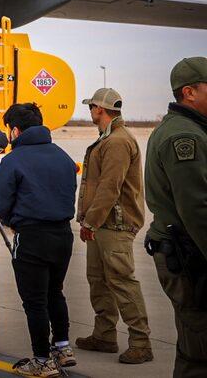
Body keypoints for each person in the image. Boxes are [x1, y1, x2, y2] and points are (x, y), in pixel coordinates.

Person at [0, 103, 78, 377]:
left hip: (31, 236)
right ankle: (63, 347)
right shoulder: (62, 156)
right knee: (55, 291)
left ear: (15, 131)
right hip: (63, 235)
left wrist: (12, 221)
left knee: (34, 301)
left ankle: (42, 359)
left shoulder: (14, 160)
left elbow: (2, 202)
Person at [75, 88, 152, 364]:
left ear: (100, 109)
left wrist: (90, 221)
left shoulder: (118, 141)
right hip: (102, 224)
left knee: (122, 281)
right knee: (99, 281)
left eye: (91, 107)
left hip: (115, 224)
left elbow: (110, 187)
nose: (90, 111)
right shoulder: (109, 138)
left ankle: (141, 343)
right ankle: (104, 335)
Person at [144, 57, 207, 378]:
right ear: (189, 92)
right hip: (189, 254)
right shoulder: (185, 137)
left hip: (187, 250)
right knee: (200, 348)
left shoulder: (188, 129)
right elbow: (198, 208)